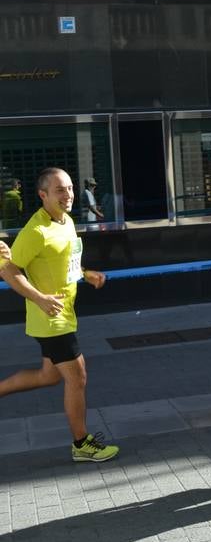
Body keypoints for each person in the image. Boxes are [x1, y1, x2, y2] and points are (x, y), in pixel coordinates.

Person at [0, 167, 119, 463]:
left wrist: (85, 273)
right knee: (77, 377)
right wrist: (39, 298)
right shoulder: (36, 230)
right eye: (60, 190)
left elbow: (64, 261)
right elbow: (7, 268)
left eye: (69, 188)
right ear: (43, 195)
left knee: (48, 376)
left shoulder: (66, 221)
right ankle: (82, 443)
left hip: (64, 313)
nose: (68, 195)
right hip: (50, 319)